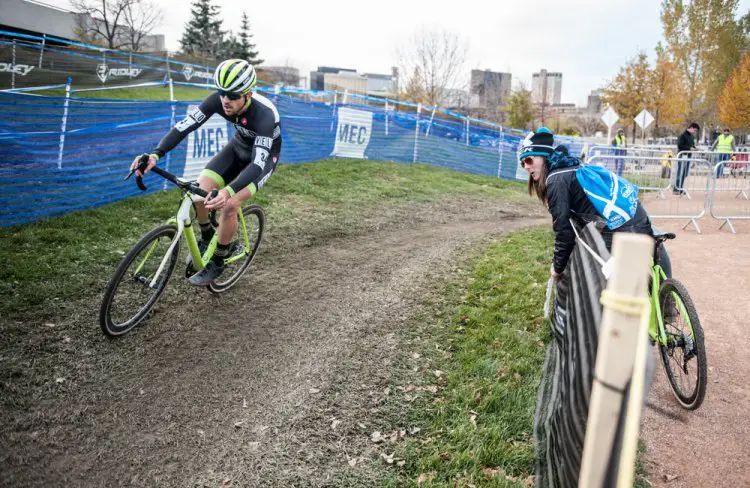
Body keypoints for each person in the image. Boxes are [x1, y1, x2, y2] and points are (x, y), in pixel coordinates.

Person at [131, 59, 282, 285]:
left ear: (248, 95)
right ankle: (208, 234)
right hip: (237, 148)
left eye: (232, 95)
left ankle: (219, 260)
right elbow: (185, 126)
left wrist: (228, 191)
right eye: (221, 93)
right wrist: (155, 155)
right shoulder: (218, 101)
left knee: (230, 205)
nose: (225, 100)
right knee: (199, 192)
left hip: (263, 158)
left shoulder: (264, 116)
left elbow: (257, 165)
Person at [519, 127, 671, 280]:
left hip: (619, 229)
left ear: (544, 157)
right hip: (637, 216)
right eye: (523, 162)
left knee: (596, 280)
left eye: (529, 159)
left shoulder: (556, 180)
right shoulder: (572, 166)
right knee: (652, 254)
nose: (526, 166)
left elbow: (563, 231)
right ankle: (668, 294)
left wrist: (558, 267)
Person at [674, 123, 699, 195]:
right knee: (680, 173)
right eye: (695, 130)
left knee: (684, 173)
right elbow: (680, 145)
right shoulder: (683, 135)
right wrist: (689, 148)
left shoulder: (691, 136)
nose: (695, 132)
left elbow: (691, 145)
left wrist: (694, 148)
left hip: (688, 156)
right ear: (691, 128)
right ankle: (676, 189)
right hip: (682, 156)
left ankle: (680, 188)